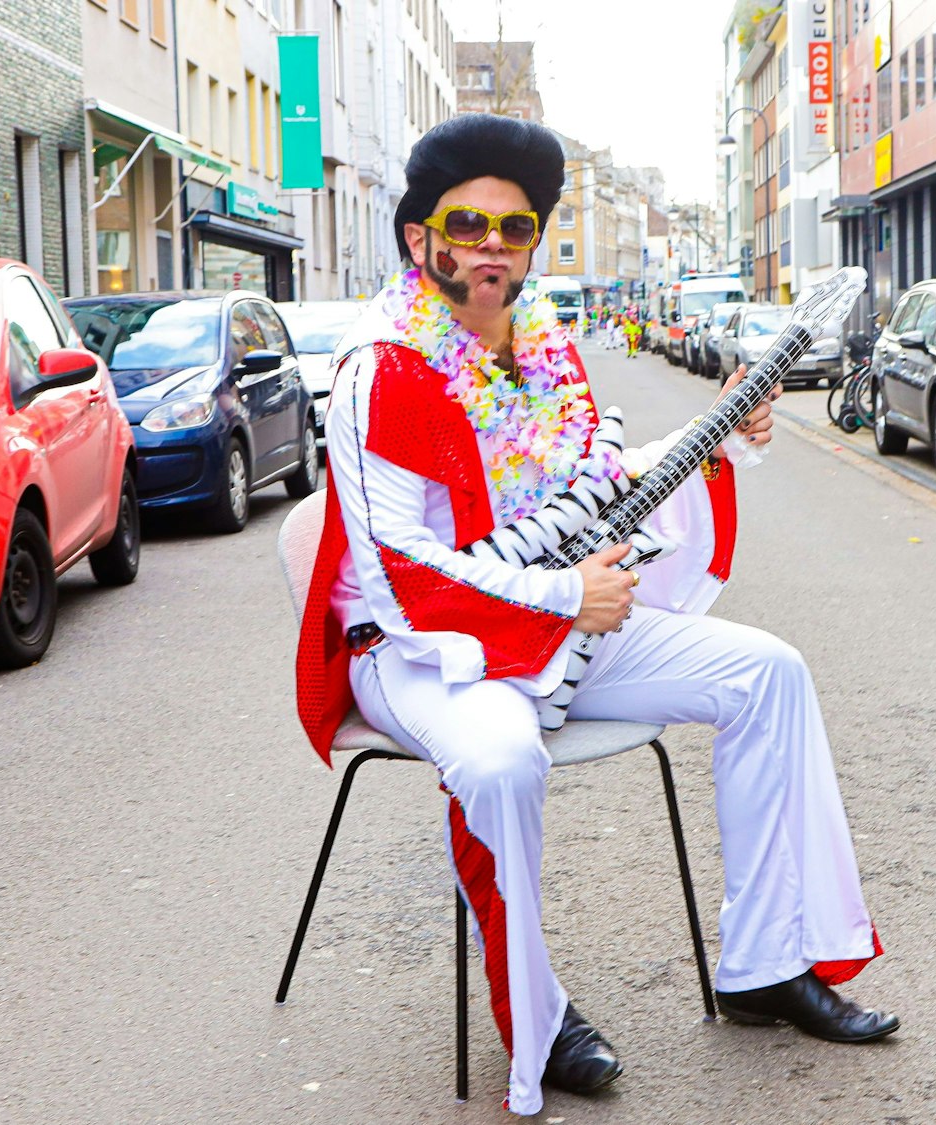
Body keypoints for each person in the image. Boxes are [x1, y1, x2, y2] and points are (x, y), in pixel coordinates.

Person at [296, 113, 894, 1117]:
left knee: (769, 672)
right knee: (497, 762)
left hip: (554, 619)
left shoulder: (545, 349)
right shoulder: (380, 370)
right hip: (420, 647)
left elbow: (591, 489)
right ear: (418, 237)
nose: (492, 246)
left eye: (515, 227)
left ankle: (767, 964)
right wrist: (570, 595)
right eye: (467, 224)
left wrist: (717, 437)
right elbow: (396, 573)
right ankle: (535, 1011)